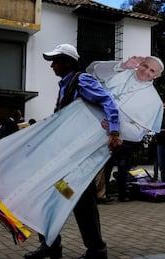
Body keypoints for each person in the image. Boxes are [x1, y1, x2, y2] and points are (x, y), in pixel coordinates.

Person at [23, 43, 121, 259]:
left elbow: (108, 102)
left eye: (55, 61)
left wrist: (114, 132)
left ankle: (96, 250)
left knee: (81, 203)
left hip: (77, 159)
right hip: (64, 158)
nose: (52, 66)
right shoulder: (65, 86)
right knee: (52, 198)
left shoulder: (81, 80)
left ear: (67, 62)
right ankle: (52, 245)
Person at [86, 55, 164, 202]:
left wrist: (116, 126)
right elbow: (92, 70)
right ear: (140, 63)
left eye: (152, 71)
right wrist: (121, 65)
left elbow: (138, 134)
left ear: (157, 75)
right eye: (145, 66)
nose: (146, 71)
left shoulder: (154, 101)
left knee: (93, 173)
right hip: (85, 122)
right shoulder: (121, 70)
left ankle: (88, 197)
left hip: (106, 138)